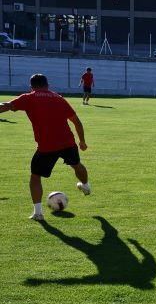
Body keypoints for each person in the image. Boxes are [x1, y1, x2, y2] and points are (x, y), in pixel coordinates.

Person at [0, 74, 91, 221]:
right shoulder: (59, 98)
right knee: (76, 164)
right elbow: (77, 122)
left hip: (46, 147)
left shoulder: (29, 97)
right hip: (67, 142)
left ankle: (38, 213)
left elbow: (6, 106)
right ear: (47, 84)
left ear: (31, 86)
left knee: (35, 176)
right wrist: (82, 141)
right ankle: (86, 186)